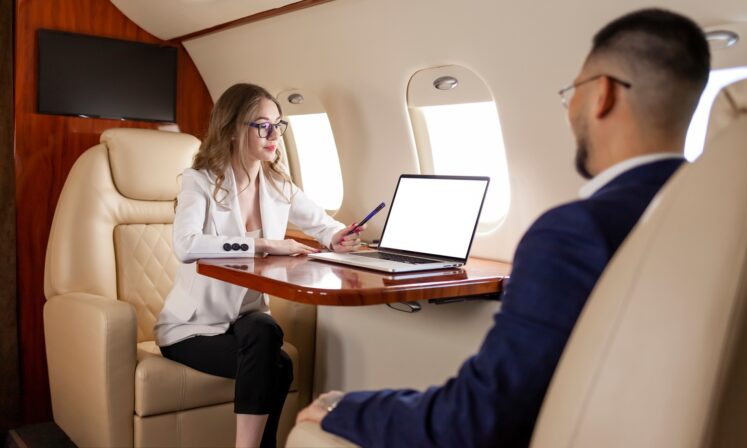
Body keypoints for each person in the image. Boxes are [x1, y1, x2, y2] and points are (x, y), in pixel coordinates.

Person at [297, 8, 711, 447]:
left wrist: (346, 407)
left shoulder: (573, 233)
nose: (569, 108)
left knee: (311, 430)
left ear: (602, 94)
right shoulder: (712, 215)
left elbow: (477, 420)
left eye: (572, 91)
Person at [154, 83, 364, 448]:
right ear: (234, 129)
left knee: (265, 329)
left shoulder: (278, 185)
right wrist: (263, 244)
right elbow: (185, 245)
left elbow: (322, 223)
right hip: (192, 328)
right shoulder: (199, 182)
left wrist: (338, 236)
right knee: (279, 365)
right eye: (262, 126)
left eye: (278, 126)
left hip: (245, 320)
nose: (274, 136)